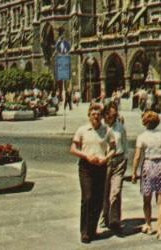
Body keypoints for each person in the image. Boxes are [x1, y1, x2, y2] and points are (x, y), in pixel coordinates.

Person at [70, 103, 114, 244]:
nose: (96, 116)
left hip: (101, 166)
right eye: (93, 114)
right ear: (89, 115)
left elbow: (113, 148)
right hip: (86, 167)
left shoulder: (107, 130)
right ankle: (85, 232)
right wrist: (86, 156)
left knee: (98, 199)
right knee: (87, 197)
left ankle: (92, 229)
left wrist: (106, 158)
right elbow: (73, 149)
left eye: (98, 114)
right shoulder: (82, 130)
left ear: (102, 116)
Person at [130, 110, 161, 240]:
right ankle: (160, 229)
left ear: (145, 123)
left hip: (148, 166)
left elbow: (137, 156)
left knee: (147, 199)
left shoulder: (142, 136)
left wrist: (133, 172)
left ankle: (148, 224)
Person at [100, 102, 128, 235]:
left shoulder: (120, 128)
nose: (113, 117)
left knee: (115, 192)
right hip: (104, 161)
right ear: (105, 114)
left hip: (119, 160)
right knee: (104, 191)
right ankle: (105, 217)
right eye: (111, 115)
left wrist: (125, 159)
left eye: (115, 114)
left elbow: (125, 144)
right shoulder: (100, 127)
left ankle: (115, 220)